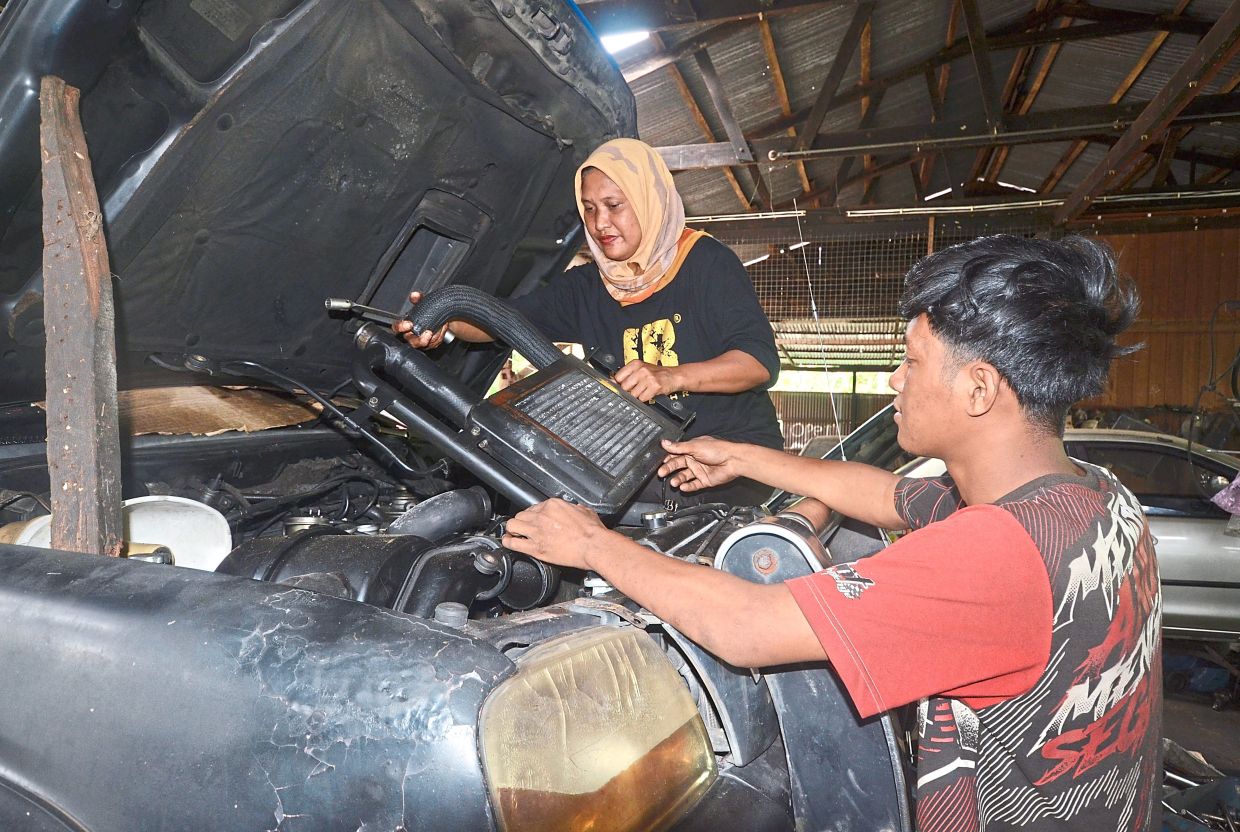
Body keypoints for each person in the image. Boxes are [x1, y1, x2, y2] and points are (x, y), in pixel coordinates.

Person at [501, 235, 1163, 832]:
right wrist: (742, 457)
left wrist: (591, 544)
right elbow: (884, 495)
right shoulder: (1094, 496)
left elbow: (747, 628)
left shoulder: (995, 554)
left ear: (979, 388)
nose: (895, 379)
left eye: (912, 361)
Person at [395, 138, 783, 505]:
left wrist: (671, 376)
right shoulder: (589, 286)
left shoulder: (706, 262)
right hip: (641, 460)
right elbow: (504, 320)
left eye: (614, 205)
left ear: (648, 200)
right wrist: (447, 322)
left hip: (726, 460)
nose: (600, 223)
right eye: (590, 209)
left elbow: (758, 363)